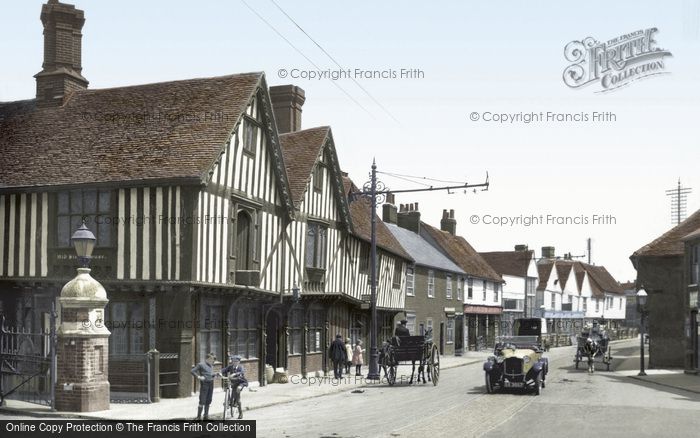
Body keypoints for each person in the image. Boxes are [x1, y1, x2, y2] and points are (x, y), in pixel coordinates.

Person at [220, 354, 248, 419]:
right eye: (233, 361)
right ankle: (228, 401)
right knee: (227, 387)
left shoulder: (241, 367)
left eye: (236, 361)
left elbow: (242, 372)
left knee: (237, 397)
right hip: (233, 383)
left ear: (239, 362)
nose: (234, 362)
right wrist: (220, 373)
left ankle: (240, 413)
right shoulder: (230, 367)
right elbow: (224, 369)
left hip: (240, 382)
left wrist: (235, 374)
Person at [191, 352, 216, 421]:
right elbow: (192, 371)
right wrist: (198, 376)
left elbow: (210, 374)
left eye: (213, 360)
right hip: (204, 384)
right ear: (208, 359)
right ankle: (198, 417)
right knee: (202, 400)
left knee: (208, 400)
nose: (213, 361)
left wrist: (215, 374)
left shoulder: (211, 365)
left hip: (211, 383)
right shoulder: (201, 364)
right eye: (212, 359)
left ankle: (206, 416)